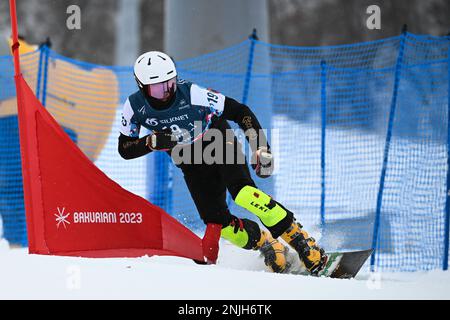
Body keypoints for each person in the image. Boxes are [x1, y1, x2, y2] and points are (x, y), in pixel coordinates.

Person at [118, 51, 327, 275]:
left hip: (217, 142)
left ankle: (299, 238)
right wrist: (149, 142)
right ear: (142, 86)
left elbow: (240, 112)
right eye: (159, 88)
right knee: (217, 224)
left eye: (170, 83)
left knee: (244, 194)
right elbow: (124, 149)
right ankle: (267, 245)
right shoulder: (133, 107)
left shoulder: (193, 94)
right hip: (189, 161)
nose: (168, 91)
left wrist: (260, 146)